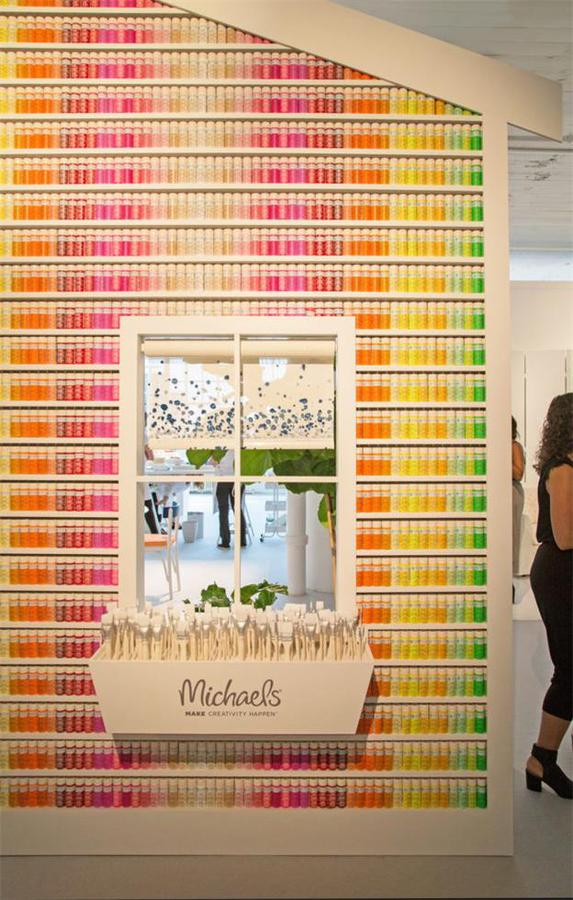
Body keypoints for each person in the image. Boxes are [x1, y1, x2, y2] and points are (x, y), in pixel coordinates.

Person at [526, 393, 573, 799]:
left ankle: (543, 758)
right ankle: (542, 758)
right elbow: (566, 536)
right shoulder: (562, 469)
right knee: (570, 668)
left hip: (563, 573)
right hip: (560, 575)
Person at [214, 451, 247, 549]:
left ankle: (225, 541)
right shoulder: (240, 446)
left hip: (224, 479)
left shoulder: (220, 447)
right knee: (237, 510)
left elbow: (214, 462)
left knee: (223, 511)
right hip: (237, 479)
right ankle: (242, 540)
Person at [512, 417, 525, 583]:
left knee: (512, 533)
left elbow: (519, 473)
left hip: (512, 492)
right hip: (501, 492)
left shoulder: (514, 446)